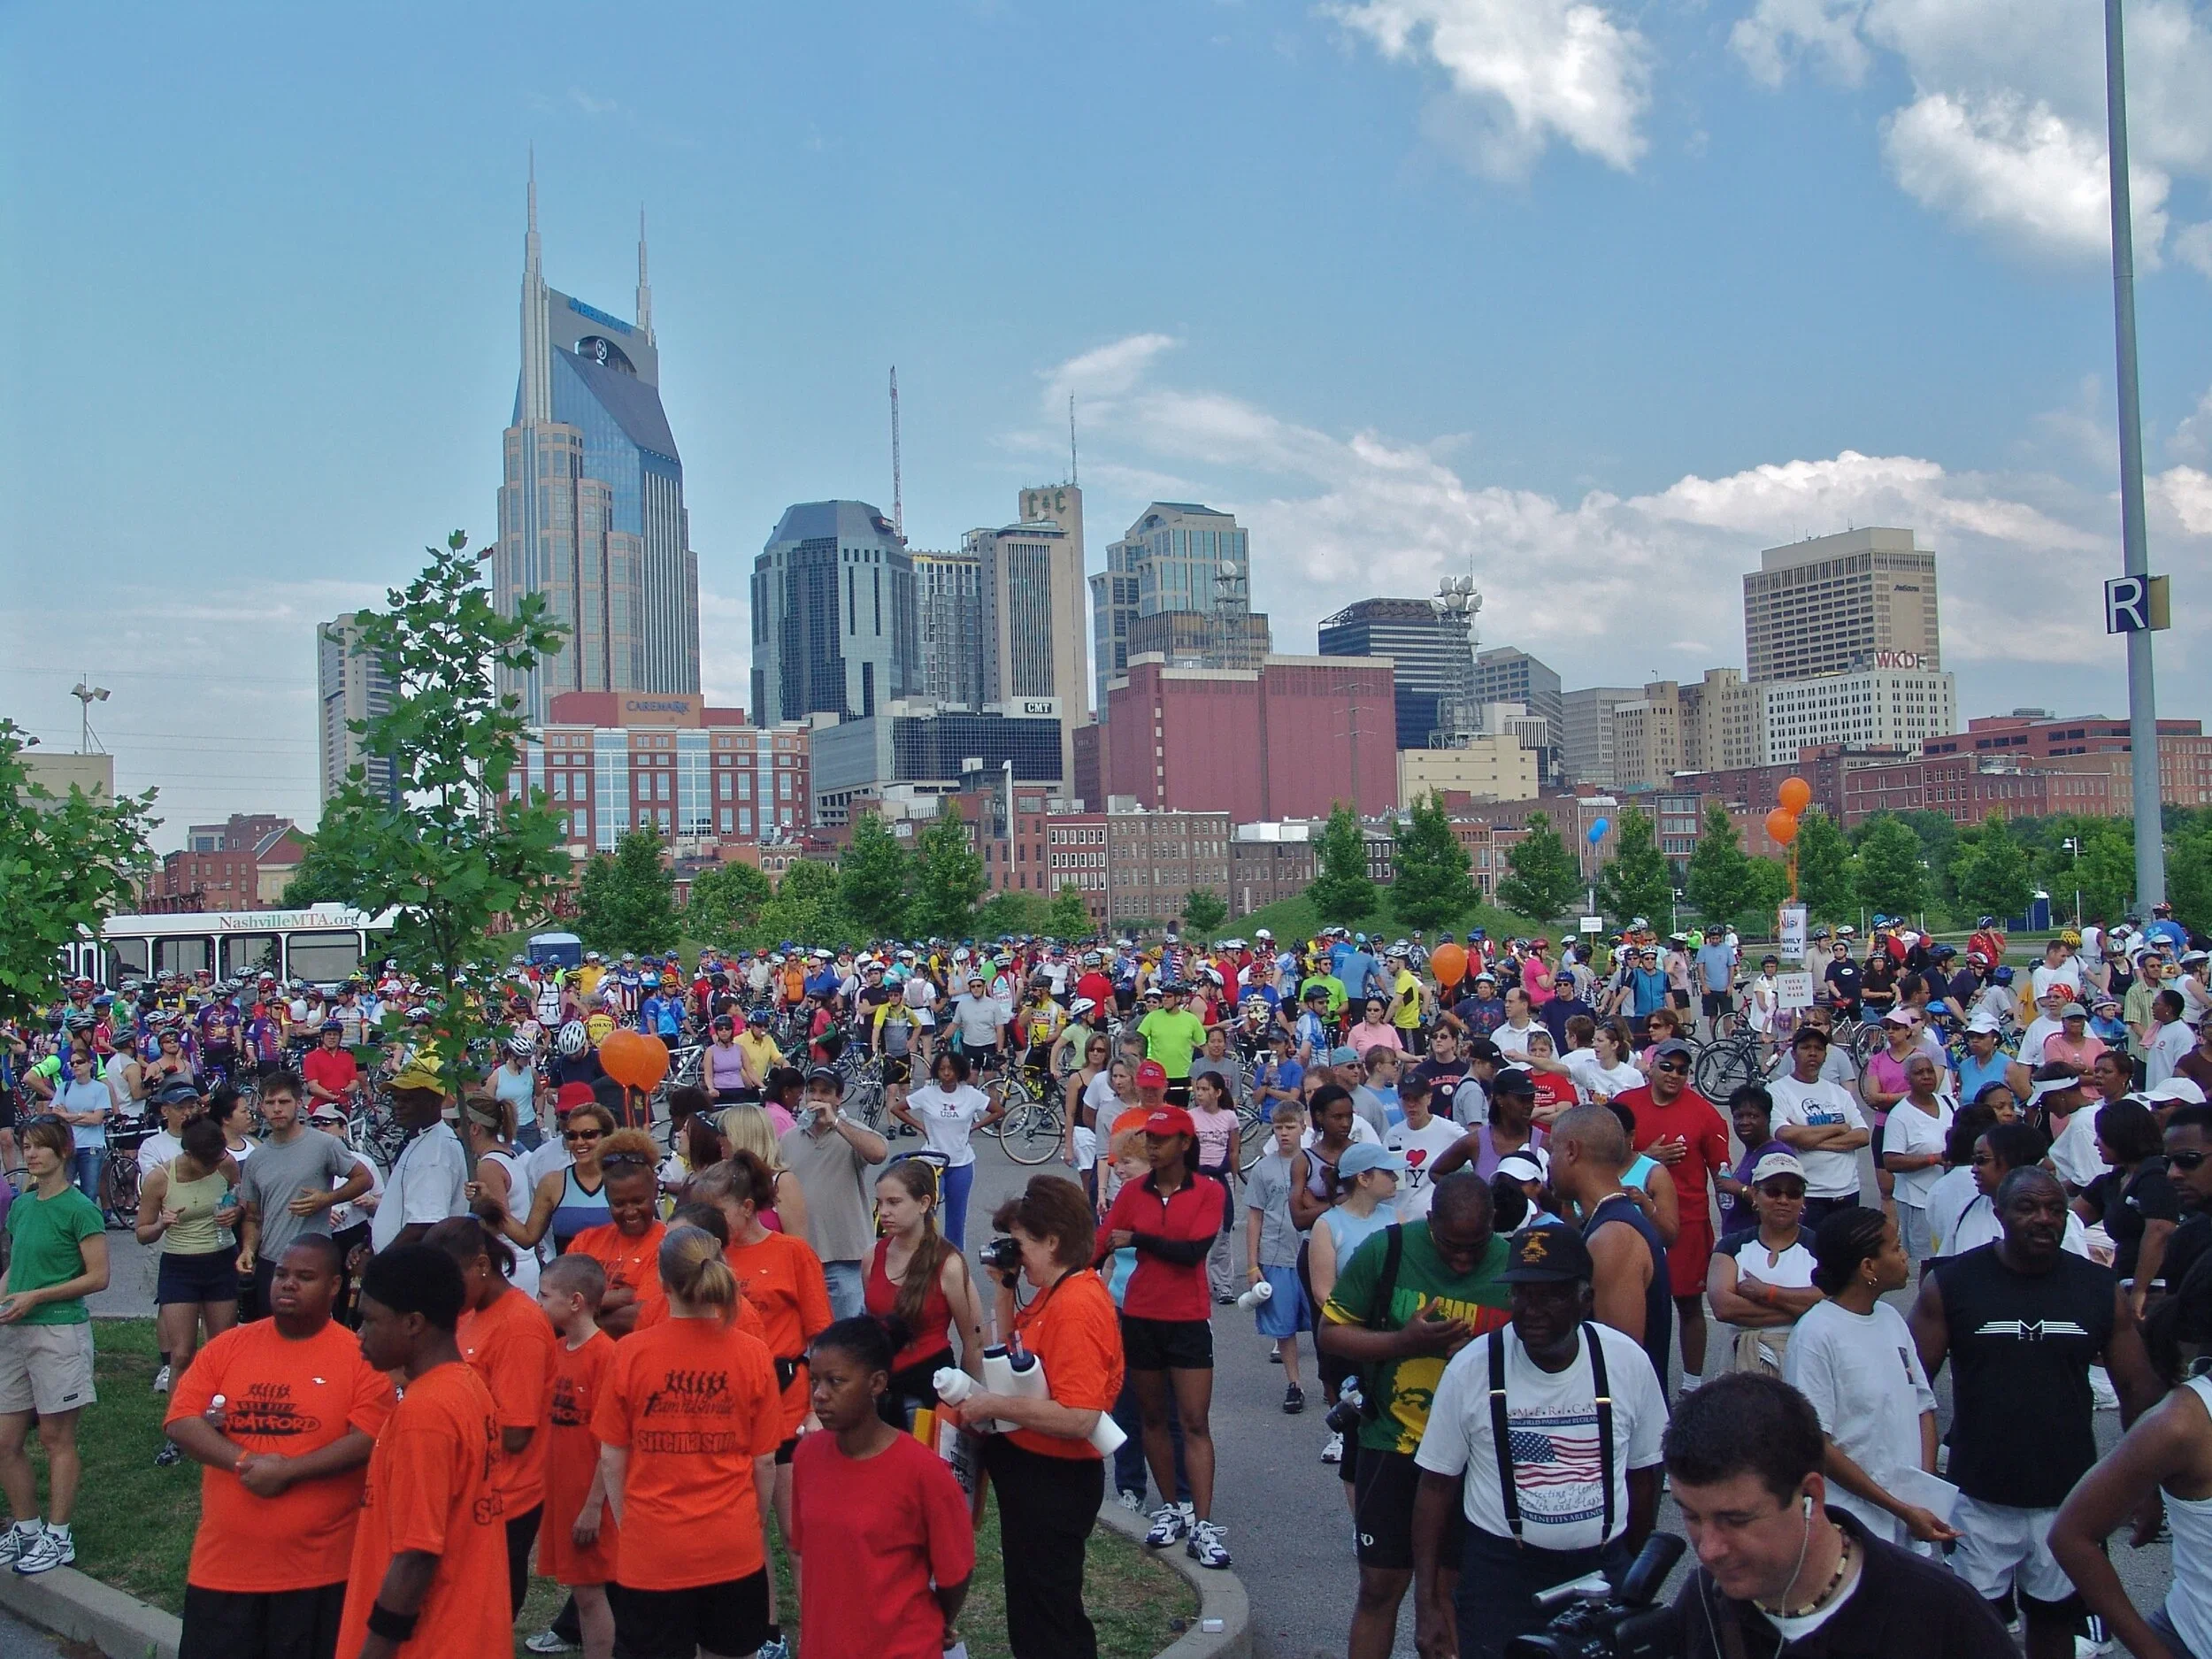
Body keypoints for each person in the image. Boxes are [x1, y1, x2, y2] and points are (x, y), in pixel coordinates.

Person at [1911, 1167, 2164, 1659]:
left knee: (2053, 1626)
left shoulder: (2096, 1287)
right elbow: (1909, 1389)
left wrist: (2145, 1488)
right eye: (2027, 1208)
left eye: (2054, 1209)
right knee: (1977, 1633)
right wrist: (1911, 1490)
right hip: (1977, 1499)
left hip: (2067, 1501)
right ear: (2000, 1214)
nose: (2043, 1219)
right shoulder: (1954, 1284)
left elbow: (2137, 1389)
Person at [1409, 1223, 1668, 1659]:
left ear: (1585, 1299)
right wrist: (1427, 1604)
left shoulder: (1625, 1361)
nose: (1532, 1310)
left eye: (1550, 1295)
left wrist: (1627, 1565)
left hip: (1602, 1572)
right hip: (1503, 1578)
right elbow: (1435, 1488)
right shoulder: (1472, 1369)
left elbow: (1645, 1474)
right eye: (1522, 1294)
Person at [1666, 1371, 2014, 1658]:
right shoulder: (1701, 1603)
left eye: (1736, 1520)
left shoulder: (1944, 1616)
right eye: (1693, 1518)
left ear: (1810, 1496)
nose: (1709, 1550)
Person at [166, 1237, 393, 1659]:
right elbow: (181, 1419)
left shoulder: (361, 1357)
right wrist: (244, 1461)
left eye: (305, 1277)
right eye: (283, 1274)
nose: (288, 1285)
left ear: (334, 1286)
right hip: (224, 1569)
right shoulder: (229, 1346)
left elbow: (368, 1439)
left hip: (318, 1573)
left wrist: (290, 1471)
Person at [1317, 1174, 1512, 1659]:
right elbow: (1332, 1334)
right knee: (1380, 1588)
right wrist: (1404, 1342)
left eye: (1476, 1246)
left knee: (1452, 1594)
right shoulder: (1388, 1250)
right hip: (1393, 1443)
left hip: (1476, 1460)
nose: (1464, 1259)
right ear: (1430, 1224)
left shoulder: (1512, 1267)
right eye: (1451, 1246)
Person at [592, 1227, 782, 1659]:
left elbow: (612, 1456)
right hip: (731, 1543)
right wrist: (749, 1524)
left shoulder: (632, 1353)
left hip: (654, 1546)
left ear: (662, 1283)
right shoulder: (752, 1353)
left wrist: (632, 1524)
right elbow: (764, 1461)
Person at [964, 1174, 1125, 1659]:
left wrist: (992, 1406)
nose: (1014, 1253)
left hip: (1054, 1480)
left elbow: (1078, 1415)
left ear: (1052, 1240)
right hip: (1035, 1474)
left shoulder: (1076, 1305)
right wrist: (1004, 1291)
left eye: (1021, 1243)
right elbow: (1015, 1357)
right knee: (1033, 1613)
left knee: (1050, 1620)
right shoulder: (1055, 1292)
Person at [335, 1245, 510, 1659]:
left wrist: (375, 1650)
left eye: (370, 1321)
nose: (360, 1335)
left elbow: (416, 1555)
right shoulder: (468, 1386)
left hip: (430, 1642)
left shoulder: (425, 1413)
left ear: (413, 1323)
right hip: (471, 1629)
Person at [790, 1315, 977, 1659]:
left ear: (876, 1383)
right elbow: (811, 1555)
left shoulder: (923, 1472)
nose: (819, 1395)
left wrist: (935, 1622)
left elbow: (956, 1573)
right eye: (814, 1380)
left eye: (836, 1382)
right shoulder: (807, 1457)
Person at [1094, 1104, 1230, 1567]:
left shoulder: (1210, 1192)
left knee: (1193, 1422)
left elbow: (1193, 1251)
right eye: (1148, 1140)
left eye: (1161, 1139)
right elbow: (1100, 1244)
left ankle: (1204, 1522)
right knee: (1150, 1418)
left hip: (1188, 1320)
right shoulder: (1132, 1192)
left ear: (1185, 1144)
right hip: (1140, 1316)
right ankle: (1172, 1508)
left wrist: (1139, 1240)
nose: (1152, 1147)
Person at [1781, 1209, 1955, 1550]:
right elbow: (1817, 1444)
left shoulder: (1891, 1319)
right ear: (1868, 1267)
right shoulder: (1816, 1335)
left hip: (1909, 1521)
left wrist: (1924, 1490)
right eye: (1895, 1248)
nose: (1904, 1255)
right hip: (1854, 1527)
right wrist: (1899, 1508)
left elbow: (1922, 1404)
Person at [426, 1215, 556, 1622]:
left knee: (483, 1618)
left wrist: (440, 1428)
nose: (439, 1292)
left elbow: (515, 1432)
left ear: (482, 1265)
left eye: (448, 1278)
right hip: (471, 1490)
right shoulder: (468, 1312)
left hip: (506, 1498)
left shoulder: (519, 1327)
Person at [0, 1117, 110, 1575]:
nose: (31, 1154)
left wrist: (36, 1297)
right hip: (15, 1332)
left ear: (63, 1152)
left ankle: (58, 1534)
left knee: (54, 1437)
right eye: (26, 1146)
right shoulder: (22, 1206)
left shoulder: (80, 1208)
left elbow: (98, 1277)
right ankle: (25, 1527)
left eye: (41, 1147)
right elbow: (16, 1265)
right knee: (5, 1441)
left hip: (59, 1331)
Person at [1616, 1038, 1730, 1390]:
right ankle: (1637, 1382)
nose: (1674, 1075)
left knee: (1689, 1303)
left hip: (1686, 1223)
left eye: (1683, 1069)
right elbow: (1602, 1157)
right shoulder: (1626, 1105)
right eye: (1667, 1066)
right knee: (1636, 1303)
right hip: (1630, 1220)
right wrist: (1645, 1157)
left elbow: (1721, 1173)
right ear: (1651, 1066)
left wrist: (1729, 1225)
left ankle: (1692, 1385)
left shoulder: (1705, 1113)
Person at [137, 1115, 242, 1465]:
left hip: (219, 1260)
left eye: (217, 1159)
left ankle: (219, 1420)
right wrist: (162, 1223)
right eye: (206, 1161)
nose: (213, 1166)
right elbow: (141, 1232)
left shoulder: (225, 1166)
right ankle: (178, 1429)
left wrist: (235, 1212)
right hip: (180, 1266)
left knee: (220, 1348)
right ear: (189, 1153)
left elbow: (238, 1201)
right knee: (181, 1353)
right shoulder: (160, 1178)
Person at [532, 1256, 618, 1659]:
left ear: (576, 1301)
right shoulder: (555, 1350)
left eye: (545, 1295)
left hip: (589, 1496)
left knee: (590, 1593)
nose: (538, 1303)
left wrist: (593, 1505)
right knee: (583, 1592)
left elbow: (612, 1441)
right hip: (564, 1491)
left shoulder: (605, 1356)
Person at [235, 1070, 374, 1318]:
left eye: (284, 1102)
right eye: (270, 1103)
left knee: (312, 1335)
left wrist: (327, 1199)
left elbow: (364, 1179)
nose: (277, 1109)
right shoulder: (256, 1158)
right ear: (262, 1107)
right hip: (271, 1261)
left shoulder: (324, 1145)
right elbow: (253, 1217)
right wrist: (248, 1250)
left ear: (299, 1104)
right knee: (273, 1339)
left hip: (313, 1259)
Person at [864, 1159, 986, 1424]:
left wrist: (971, 1406)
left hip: (931, 1386)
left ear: (923, 1203)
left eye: (894, 1202)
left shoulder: (949, 1263)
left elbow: (974, 1341)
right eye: (880, 1203)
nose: (883, 1212)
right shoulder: (873, 1256)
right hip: (881, 1385)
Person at [778, 1065, 888, 1320]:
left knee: (847, 1337)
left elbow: (879, 1153)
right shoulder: (789, 1138)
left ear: (838, 1098)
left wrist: (837, 1123)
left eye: (825, 1092)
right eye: (812, 1091)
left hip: (844, 1258)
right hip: (803, 1257)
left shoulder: (851, 1131)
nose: (817, 1098)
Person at [1707, 1152, 1820, 1376]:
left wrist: (1766, 1292)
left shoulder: (1820, 1247)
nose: (1783, 1200)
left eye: (1794, 1193)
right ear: (1755, 1196)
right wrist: (1803, 1309)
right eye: (1773, 1191)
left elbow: (1830, 1300)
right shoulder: (1731, 1246)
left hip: (1805, 1362)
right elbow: (1723, 1307)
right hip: (1743, 1363)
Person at [893, 1051, 1003, 1249]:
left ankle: (954, 1259)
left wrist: (975, 1127)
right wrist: (920, 1125)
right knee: (926, 1212)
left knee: (957, 1215)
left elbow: (998, 1110)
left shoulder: (970, 1094)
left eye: (950, 1069)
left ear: (959, 1071)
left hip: (961, 1164)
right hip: (932, 1164)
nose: (946, 1073)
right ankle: (924, 1254)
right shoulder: (928, 1093)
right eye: (942, 1069)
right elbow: (897, 1108)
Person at [1242, 1102, 1310, 1412]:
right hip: (1276, 1254)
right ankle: (1294, 1382)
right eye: (1279, 1128)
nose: (1284, 1134)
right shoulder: (1263, 1168)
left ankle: (1331, 1381)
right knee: (1283, 1326)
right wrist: (1253, 1263)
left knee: (1324, 1322)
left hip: (1310, 1255)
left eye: (1290, 1127)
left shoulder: (1313, 1164)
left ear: (1303, 1128)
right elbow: (1255, 1217)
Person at [1768, 1025, 1870, 1226]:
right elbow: (1785, 1134)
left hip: (1847, 1192)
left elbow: (1862, 1136)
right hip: (1806, 1194)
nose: (1813, 1053)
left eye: (1819, 1048)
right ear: (1793, 1053)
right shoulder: (1776, 1092)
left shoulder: (1839, 1093)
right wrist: (1838, 1128)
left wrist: (1807, 1140)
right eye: (1806, 1048)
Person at [367, 1058, 468, 1253]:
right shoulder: (420, 1138)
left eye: (407, 1100)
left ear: (433, 1102)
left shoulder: (435, 1153)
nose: (397, 1106)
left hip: (412, 1267)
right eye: (395, 1099)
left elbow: (425, 1224)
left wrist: (380, 1265)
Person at [1884, 1052, 1954, 1270]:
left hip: (1949, 1197)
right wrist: (1933, 1159)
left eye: (1929, 1071)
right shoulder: (1900, 1116)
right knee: (1930, 1262)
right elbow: (1891, 1161)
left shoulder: (1949, 1103)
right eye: (1919, 1073)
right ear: (1908, 1079)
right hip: (1918, 1200)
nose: (1926, 1076)